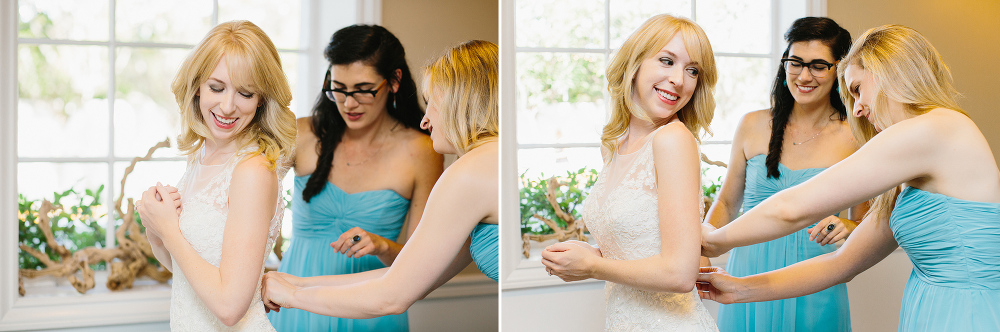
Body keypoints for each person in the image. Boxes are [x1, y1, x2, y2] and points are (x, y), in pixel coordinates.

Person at [698, 25, 1000, 331]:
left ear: (886, 71)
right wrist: (739, 288)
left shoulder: (934, 129)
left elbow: (793, 208)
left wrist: (713, 240)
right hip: (929, 309)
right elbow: (841, 264)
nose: (856, 109)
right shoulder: (913, 165)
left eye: (857, 89)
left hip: (967, 314)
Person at [260, 40, 498, 319]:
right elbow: (409, 278)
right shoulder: (491, 162)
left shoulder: (467, 174)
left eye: (432, 100)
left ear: (460, 101)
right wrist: (296, 282)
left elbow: (392, 296)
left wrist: (291, 294)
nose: (425, 119)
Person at [539, 14, 718, 331]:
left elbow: (679, 273)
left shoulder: (673, 140)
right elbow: (641, 245)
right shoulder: (615, 144)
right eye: (667, 61)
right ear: (635, 64)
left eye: (692, 70)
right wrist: (594, 252)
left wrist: (594, 265)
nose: (679, 79)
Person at [266, 24, 442, 332]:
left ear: (395, 81)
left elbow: (420, 265)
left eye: (362, 89)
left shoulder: (422, 151)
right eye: (339, 88)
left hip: (371, 309)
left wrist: (382, 245)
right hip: (294, 304)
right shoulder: (302, 133)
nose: (348, 103)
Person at [136, 20, 296, 331]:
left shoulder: (252, 171)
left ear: (262, 98)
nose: (227, 106)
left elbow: (229, 307)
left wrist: (169, 231)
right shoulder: (201, 154)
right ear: (197, 85)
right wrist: (155, 228)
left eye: (245, 93)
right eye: (216, 87)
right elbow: (186, 273)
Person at [704, 17, 860, 332]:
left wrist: (848, 224)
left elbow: (868, 221)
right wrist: (703, 247)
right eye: (796, 63)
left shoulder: (854, 136)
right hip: (747, 276)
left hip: (815, 278)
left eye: (818, 65)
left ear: (839, 69)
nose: (804, 75)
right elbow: (726, 203)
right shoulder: (752, 125)